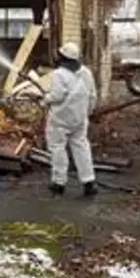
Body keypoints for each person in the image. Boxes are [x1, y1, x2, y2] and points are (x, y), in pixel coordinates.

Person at [44, 41, 98, 197]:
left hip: (60, 119)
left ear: (62, 57)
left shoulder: (59, 74)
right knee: (82, 148)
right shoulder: (86, 72)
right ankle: (89, 182)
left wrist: (45, 98)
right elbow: (93, 95)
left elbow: (57, 96)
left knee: (58, 149)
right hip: (80, 119)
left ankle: (59, 183)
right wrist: (88, 113)